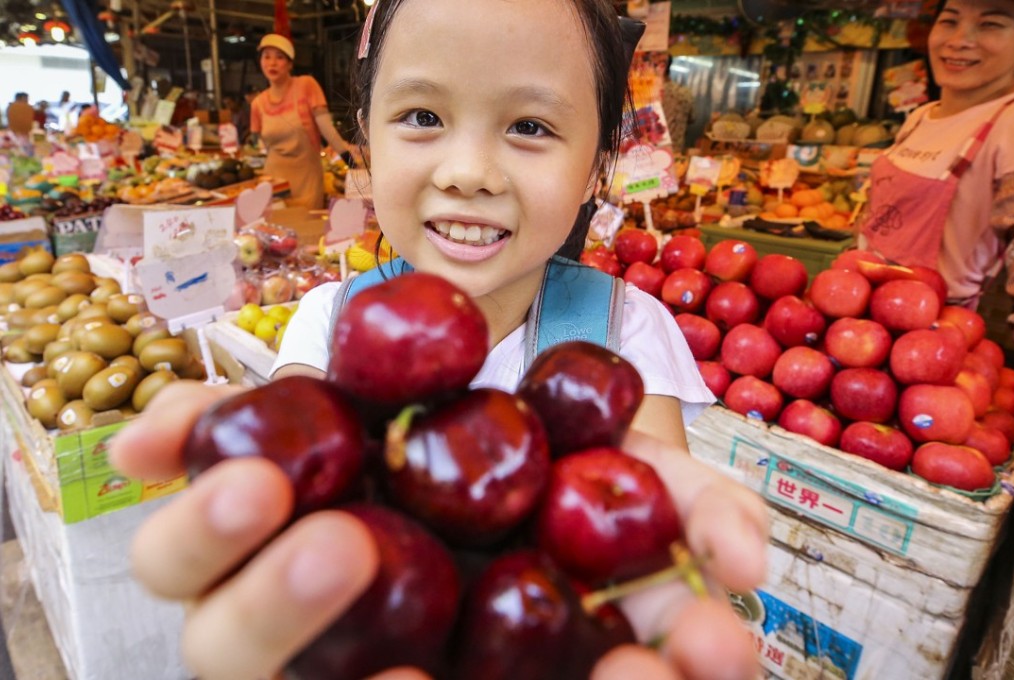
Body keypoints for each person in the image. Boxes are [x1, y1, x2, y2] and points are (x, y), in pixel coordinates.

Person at [108, 2, 770, 679]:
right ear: (365, 137)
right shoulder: (328, 322)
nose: (469, 171)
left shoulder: (627, 333)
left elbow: (642, 531)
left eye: (531, 125)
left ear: (599, 165)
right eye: (423, 116)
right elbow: (296, 480)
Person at [857, 0, 1014, 325]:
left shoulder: (1012, 118)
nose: (959, 40)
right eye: (949, 21)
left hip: (931, 328)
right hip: (864, 304)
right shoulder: (921, 116)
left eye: (990, 24)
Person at [250, 33, 357, 209]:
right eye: (266, 56)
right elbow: (259, 145)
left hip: (307, 177)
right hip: (274, 179)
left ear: (290, 63)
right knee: (277, 231)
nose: (272, 63)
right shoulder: (257, 104)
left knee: (308, 231)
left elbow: (326, 128)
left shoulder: (307, 85)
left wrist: (349, 159)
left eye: (279, 57)